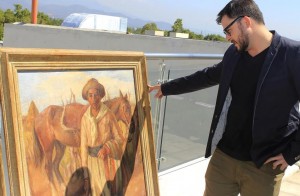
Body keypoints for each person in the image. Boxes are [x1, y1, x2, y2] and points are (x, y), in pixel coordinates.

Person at [149, 0, 300, 195]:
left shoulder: (293, 55)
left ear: (245, 22)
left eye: (228, 31)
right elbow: (207, 76)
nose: (228, 38)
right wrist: (166, 87)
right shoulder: (234, 53)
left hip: (264, 164)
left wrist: (291, 153)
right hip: (224, 158)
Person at [81, 78, 125, 196]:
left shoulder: (108, 114)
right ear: (87, 97)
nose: (93, 99)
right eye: (90, 96)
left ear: (100, 96)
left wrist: (107, 148)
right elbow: (83, 147)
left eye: (96, 95)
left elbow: (119, 138)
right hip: (92, 163)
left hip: (108, 161)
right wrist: (85, 175)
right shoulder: (85, 119)